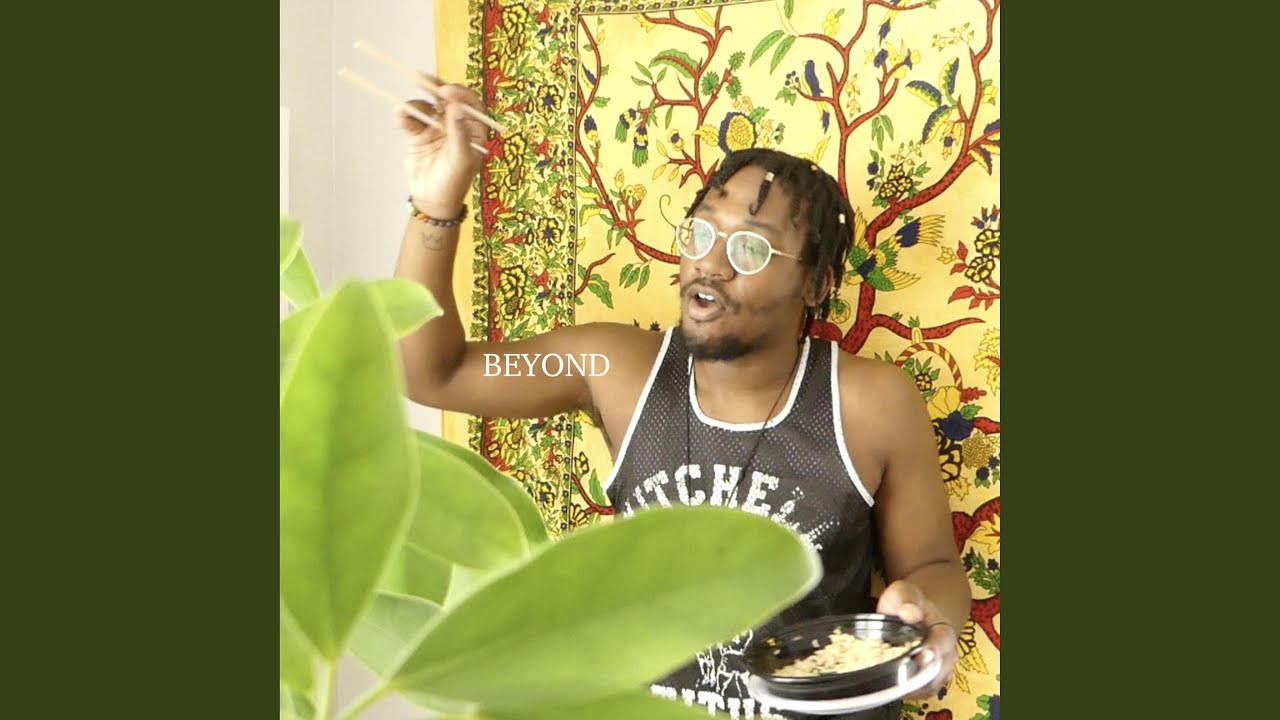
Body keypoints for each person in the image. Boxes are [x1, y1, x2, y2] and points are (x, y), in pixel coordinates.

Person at [390, 77, 970, 720]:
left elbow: (933, 563)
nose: (710, 263)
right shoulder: (614, 369)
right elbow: (431, 373)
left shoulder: (870, 402)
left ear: (815, 284)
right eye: (700, 233)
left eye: (749, 247)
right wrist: (436, 205)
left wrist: (930, 618)